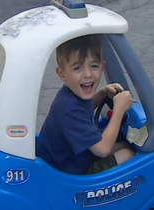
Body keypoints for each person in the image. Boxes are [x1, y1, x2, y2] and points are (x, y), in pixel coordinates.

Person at [37, 34, 135, 175]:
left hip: (70, 160)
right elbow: (103, 149)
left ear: (102, 67)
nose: (88, 74)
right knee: (128, 154)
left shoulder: (70, 95)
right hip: (68, 175)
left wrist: (101, 94)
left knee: (124, 144)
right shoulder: (68, 109)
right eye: (77, 68)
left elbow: (83, 111)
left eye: (94, 66)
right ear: (62, 74)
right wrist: (119, 110)